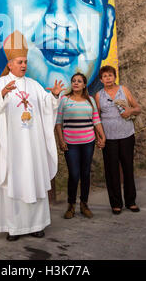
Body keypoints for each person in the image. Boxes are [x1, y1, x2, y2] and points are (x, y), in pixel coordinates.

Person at [0, 30, 66, 241]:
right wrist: (1, 95)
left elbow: (47, 107)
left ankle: (36, 225)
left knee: (34, 180)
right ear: (10, 63)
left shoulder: (34, 85)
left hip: (33, 145)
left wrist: (54, 96)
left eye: (25, 62)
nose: (23, 65)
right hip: (12, 146)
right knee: (14, 183)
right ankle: (14, 227)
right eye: (20, 62)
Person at [55, 73, 106, 219]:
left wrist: (102, 136)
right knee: (74, 174)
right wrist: (61, 140)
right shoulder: (64, 100)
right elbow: (58, 122)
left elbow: (96, 120)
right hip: (71, 144)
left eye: (79, 81)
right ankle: (71, 205)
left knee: (85, 174)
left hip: (88, 142)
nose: (76, 83)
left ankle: (84, 204)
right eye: (74, 81)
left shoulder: (90, 100)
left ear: (84, 85)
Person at [95, 65, 141, 215]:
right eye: (105, 76)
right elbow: (96, 118)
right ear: (101, 80)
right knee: (111, 170)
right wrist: (99, 137)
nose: (108, 78)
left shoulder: (124, 90)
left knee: (128, 168)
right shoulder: (98, 95)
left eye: (110, 75)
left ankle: (131, 201)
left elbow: (137, 108)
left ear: (115, 77)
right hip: (109, 138)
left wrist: (130, 111)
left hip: (127, 135)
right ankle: (116, 203)